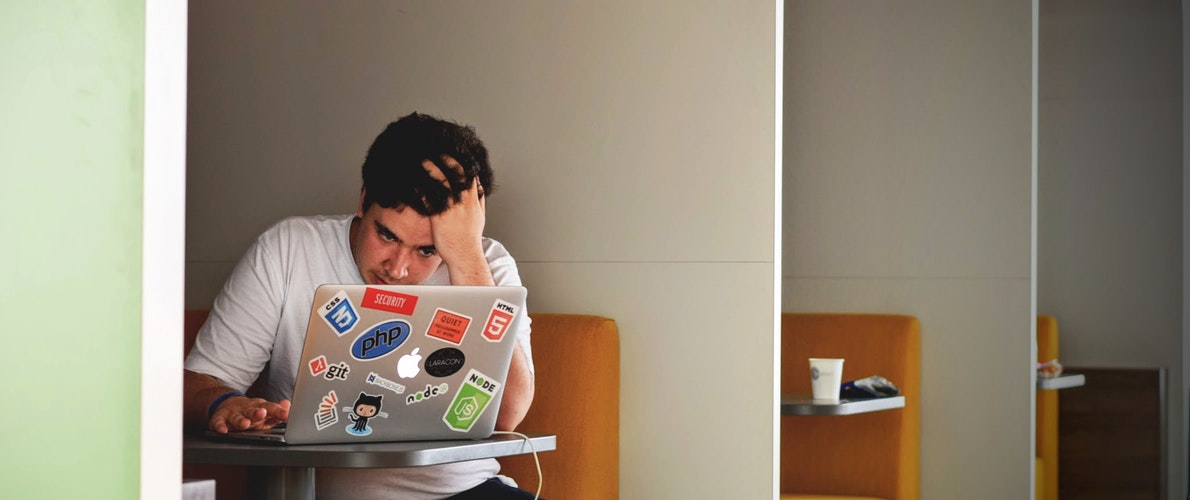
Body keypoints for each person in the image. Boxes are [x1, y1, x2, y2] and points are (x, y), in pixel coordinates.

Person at [183, 112, 538, 500]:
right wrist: (225, 403)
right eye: (386, 234)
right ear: (364, 200)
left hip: (463, 491)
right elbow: (193, 385)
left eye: (427, 250)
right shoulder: (289, 249)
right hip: (313, 493)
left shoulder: (485, 264)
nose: (398, 269)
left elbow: (508, 415)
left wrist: (466, 257)